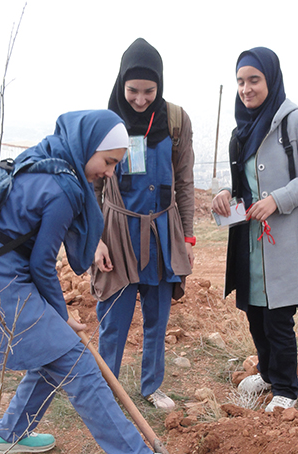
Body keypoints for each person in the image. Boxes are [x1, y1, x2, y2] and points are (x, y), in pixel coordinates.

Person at [0, 110, 192, 454]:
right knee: (77, 362)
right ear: (89, 148)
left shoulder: (48, 159)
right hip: (3, 280)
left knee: (51, 354)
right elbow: (43, 263)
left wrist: (56, 319)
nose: (111, 172)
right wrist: (61, 316)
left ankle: (11, 432)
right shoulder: (62, 188)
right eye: (109, 161)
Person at [211, 47, 298, 412]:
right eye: (241, 81)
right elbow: (242, 186)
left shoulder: (295, 121)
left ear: (270, 80)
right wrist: (227, 194)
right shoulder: (240, 131)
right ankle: (269, 373)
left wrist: (278, 199)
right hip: (249, 242)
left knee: (278, 318)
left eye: (254, 80)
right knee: (255, 313)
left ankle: (287, 390)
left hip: (283, 241)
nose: (246, 88)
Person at [90, 39, 195, 410]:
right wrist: (94, 241)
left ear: (160, 86)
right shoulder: (106, 124)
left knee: (157, 317)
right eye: (132, 90)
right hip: (117, 234)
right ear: (121, 85)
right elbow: (93, 186)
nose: (140, 99)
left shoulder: (176, 121)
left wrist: (186, 236)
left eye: (148, 90)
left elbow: (184, 182)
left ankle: (151, 386)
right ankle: (107, 389)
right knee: (113, 320)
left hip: (163, 234)